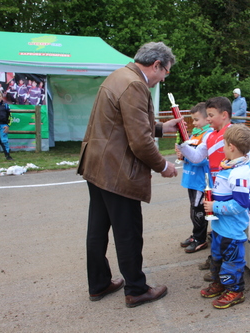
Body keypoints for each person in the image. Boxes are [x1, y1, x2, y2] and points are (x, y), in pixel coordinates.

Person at [77, 41, 181, 308]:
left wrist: (161, 128)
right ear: (156, 65)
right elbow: (139, 142)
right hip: (117, 170)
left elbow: (122, 124)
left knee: (98, 229)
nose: (162, 79)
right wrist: (163, 166)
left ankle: (99, 284)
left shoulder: (119, 76)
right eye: (165, 72)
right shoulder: (136, 84)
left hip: (97, 165)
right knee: (129, 232)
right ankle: (136, 289)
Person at [178, 96, 250, 277]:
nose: (207, 119)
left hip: (232, 189)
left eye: (211, 115)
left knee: (230, 225)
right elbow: (198, 157)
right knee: (217, 224)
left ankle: (228, 264)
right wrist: (183, 146)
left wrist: (233, 168)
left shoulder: (235, 133)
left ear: (224, 115)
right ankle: (216, 259)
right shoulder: (209, 135)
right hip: (216, 188)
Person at [200, 124, 250, 309]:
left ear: (231, 146)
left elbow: (240, 204)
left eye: (224, 143)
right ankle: (220, 283)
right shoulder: (230, 165)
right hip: (219, 226)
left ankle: (235, 290)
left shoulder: (241, 172)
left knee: (232, 260)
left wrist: (214, 205)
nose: (222, 147)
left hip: (231, 229)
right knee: (217, 256)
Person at [175, 102, 213, 253]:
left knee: (198, 209)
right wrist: (181, 154)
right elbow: (188, 151)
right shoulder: (195, 133)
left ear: (207, 118)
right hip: (190, 178)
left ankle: (200, 239)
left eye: (197, 119)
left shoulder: (208, 135)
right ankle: (195, 234)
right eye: (193, 120)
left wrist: (186, 156)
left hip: (200, 180)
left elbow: (201, 159)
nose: (194, 123)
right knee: (194, 208)